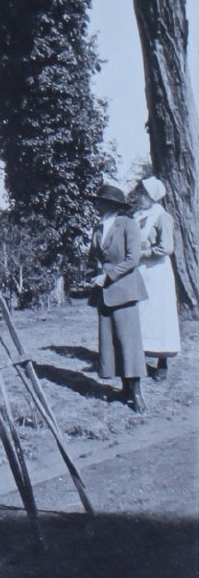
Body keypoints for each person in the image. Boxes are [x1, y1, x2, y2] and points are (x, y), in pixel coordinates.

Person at [87, 183, 148, 413]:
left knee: (129, 343)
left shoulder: (128, 224)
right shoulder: (98, 229)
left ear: (110, 204)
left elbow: (133, 259)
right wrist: (93, 275)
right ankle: (124, 390)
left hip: (125, 290)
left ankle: (138, 394)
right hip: (104, 294)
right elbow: (92, 259)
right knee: (112, 344)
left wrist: (108, 275)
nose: (96, 204)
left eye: (99, 201)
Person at [133, 176, 181, 380]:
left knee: (158, 314)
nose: (139, 197)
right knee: (140, 313)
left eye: (143, 194)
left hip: (157, 272)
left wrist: (142, 254)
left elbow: (166, 247)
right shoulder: (137, 216)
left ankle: (162, 362)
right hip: (140, 271)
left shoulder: (162, 217)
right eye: (139, 193)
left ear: (153, 196)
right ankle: (137, 357)